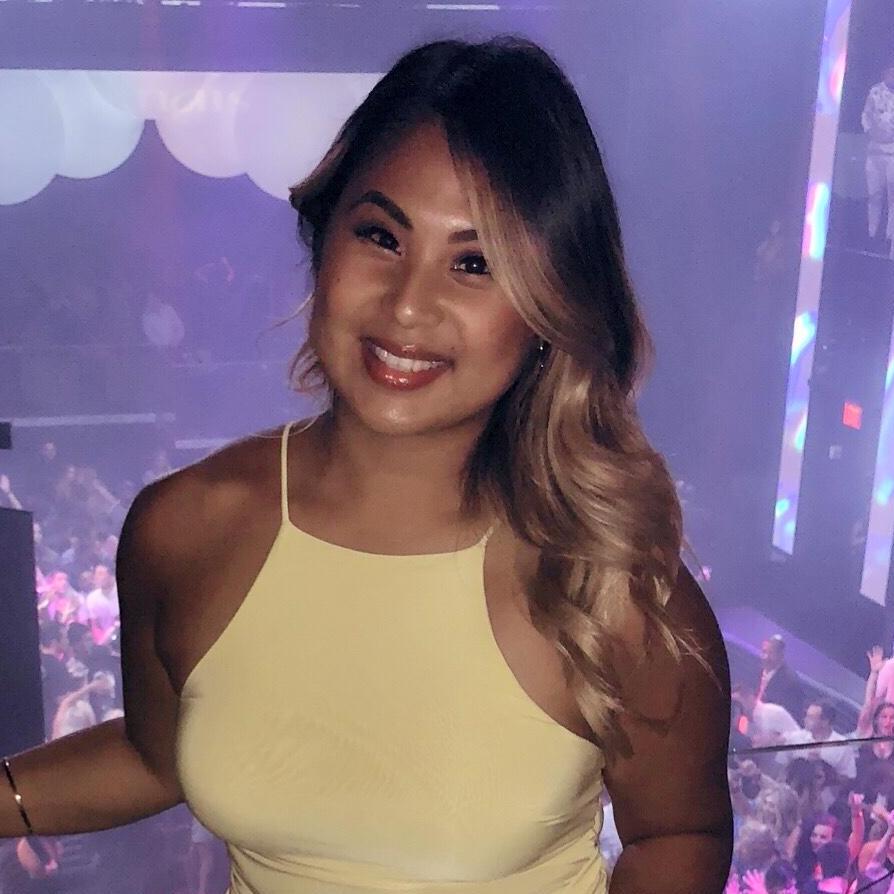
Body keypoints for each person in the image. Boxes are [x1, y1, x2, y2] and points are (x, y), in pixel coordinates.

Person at [0, 37, 733, 893]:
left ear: (549, 307)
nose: (410, 305)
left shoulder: (610, 588)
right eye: (382, 236)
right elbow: (152, 758)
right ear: (324, 242)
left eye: (475, 263)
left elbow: (678, 833)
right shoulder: (186, 527)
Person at [862, 62, 894, 254]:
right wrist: (870, 132)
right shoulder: (874, 92)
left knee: (892, 197)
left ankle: (889, 238)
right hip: (874, 152)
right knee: (874, 195)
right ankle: (871, 234)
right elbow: (865, 116)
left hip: (893, 153)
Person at [756, 635, 805, 721]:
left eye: (771, 653)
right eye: (764, 652)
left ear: (781, 655)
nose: (766, 657)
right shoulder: (757, 670)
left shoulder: (791, 682)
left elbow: (791, 716)